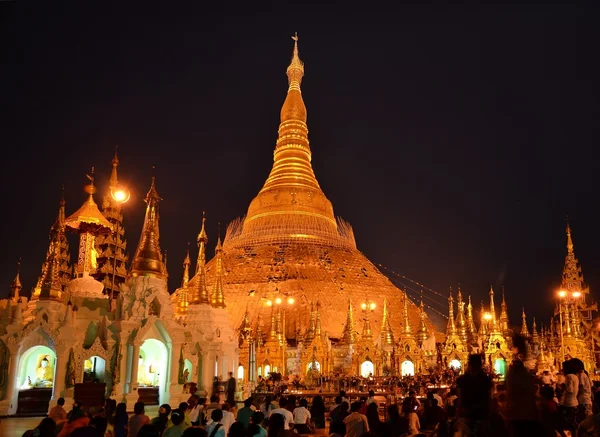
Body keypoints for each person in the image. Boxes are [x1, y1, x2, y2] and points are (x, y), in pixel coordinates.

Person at [456, 353, 493, 436]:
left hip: (468, 413)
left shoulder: (462, 380)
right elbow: (489, 398)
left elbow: (460, 399)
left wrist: (458, 413)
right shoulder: (486, 380)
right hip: (481, 413)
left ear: (469, 364)